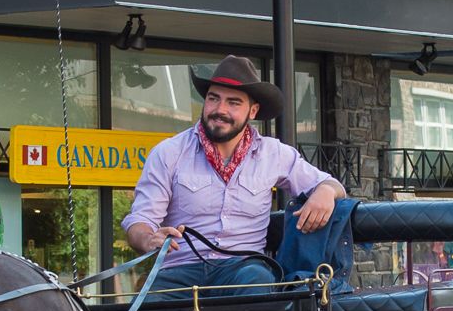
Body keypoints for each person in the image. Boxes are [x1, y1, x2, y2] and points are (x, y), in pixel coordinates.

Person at [122, 55, 347, 294]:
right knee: (148, 305)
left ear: (253, 110)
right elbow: (139, 221)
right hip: (180, 270)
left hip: (243, 269)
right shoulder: (168, 152)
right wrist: (148, 239)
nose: (220, 110)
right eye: (213, 98)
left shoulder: (274, 153)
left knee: (259, 280)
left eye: (233, 102)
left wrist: (325, 191)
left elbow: (331, 184)